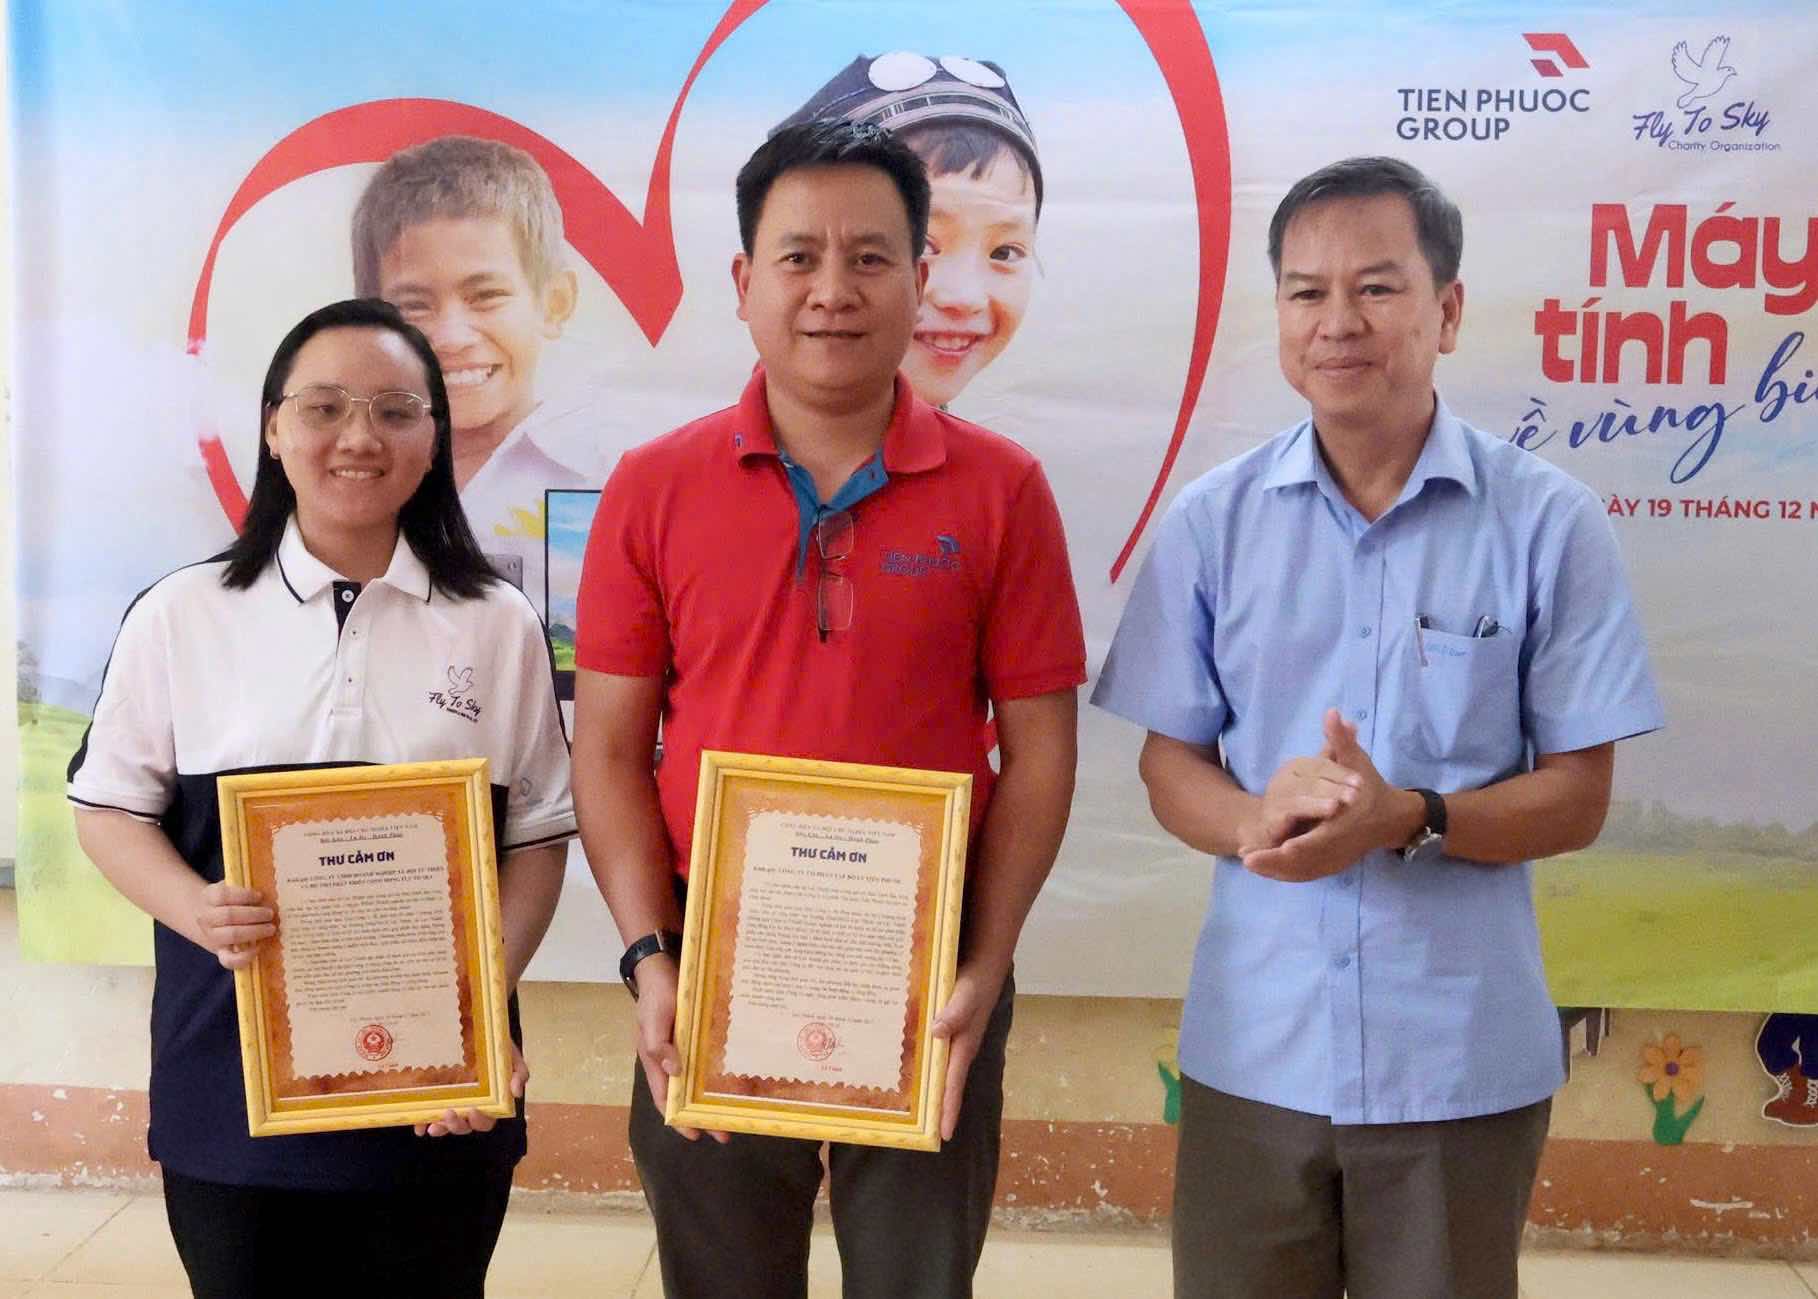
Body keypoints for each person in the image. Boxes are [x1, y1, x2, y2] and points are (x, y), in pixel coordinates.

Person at [1091, 156, 1665, 1299]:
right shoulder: (1212, 525)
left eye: (1379, 287)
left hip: (1455, 1062)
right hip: (1257, 1048)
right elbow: (1169, 763)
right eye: (1307, 292)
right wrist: (1258, 816)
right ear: (1281, 317)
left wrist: (1408, 817)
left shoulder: (1552, 525)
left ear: (1448, 310)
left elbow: (1578, 795)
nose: (1338, 322)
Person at [571, 120, 1084, 1298]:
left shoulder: (1003, 491)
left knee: (915, 1280)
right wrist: (652, 956)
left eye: (870, 258)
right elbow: (606, 748)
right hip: (709, 962)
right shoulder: (654, 487)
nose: (833, 291)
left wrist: (985, 967)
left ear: (915, 279)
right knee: (723, 1277)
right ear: (745, 284)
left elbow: (1042, 752)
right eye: (798, 258)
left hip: (927, 968)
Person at [67, 298, 574, 1299]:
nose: (359, 437)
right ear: (272, 426)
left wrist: (479, 1024)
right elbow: (108, 809)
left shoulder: (497, 622)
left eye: (396, 410)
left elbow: (539, 837)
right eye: (326, 407)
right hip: (233, 1086)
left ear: (435, 436)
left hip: (438, 1097)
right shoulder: (183, 614)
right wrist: (190, 903)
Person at [352, 135, 596, 614]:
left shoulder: (612, 481)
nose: (451, 336)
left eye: (485, 296)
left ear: (555, 302)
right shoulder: (342, 479)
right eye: (413, 305)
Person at [777, 52, 1042, 408]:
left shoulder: (1001, 465)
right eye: (921, 244)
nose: (963, 298)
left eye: (1004, 252)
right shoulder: (697, 461)